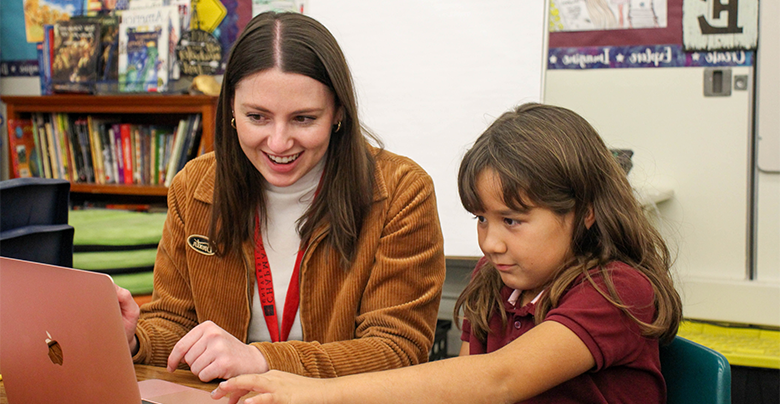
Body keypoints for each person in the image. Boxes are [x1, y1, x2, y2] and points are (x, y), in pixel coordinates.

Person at [212, 103, 683, 404]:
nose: (490, 242)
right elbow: (464, 384)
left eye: (512, 221)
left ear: (584, 213)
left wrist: (319, 393)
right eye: (481, 219)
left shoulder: (617, 290)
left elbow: (498, 381)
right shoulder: (496, 280)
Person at [115, 11, 446, 382]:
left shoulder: (402, 189)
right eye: (257, 117)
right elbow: (177, 326)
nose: (278, 142)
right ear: (231, 110)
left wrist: (261, 359)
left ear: (338, 112)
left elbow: (396, 349)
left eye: (304, 119)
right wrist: (131, 340)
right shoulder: (194, 186)